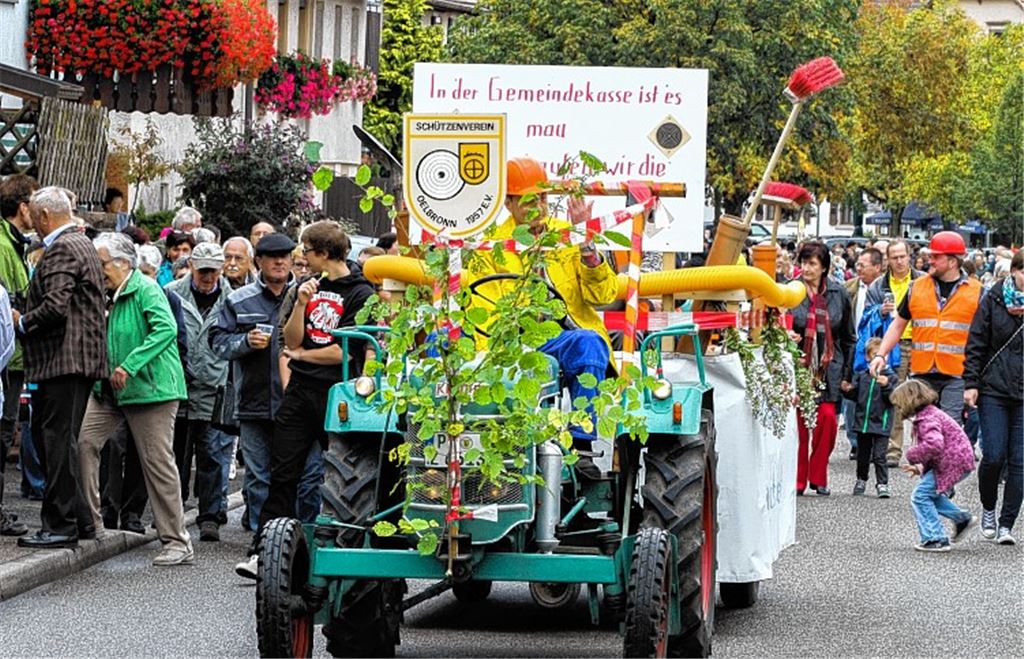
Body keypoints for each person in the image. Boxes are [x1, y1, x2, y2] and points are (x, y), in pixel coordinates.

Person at [235, 221, 376, 579]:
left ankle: (343, 547)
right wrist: (300, 305)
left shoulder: (361, 294)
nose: (302, 257)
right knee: (283, 475)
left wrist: (301, 357)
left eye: (307, 251)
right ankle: (264, 551)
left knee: (340, 475)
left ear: (324, 253)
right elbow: (291, 340)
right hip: (300, 393)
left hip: (339, 392)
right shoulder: (305, 287)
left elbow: (345, 353)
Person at [464, 158, 619, 449]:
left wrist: (587, 247)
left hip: (559, 337)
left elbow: (604, 295)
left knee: (589, 343)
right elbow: (482, 309)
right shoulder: (489, 246)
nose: (539, 208)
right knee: (439, 343)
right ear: (508, 203)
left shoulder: (568, 235)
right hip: (510, 340)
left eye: (543, 198)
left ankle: (581, 445)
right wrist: (494, 357)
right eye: (528, 200)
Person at [76, 233, 193, 565]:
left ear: (123, 263)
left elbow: (166, 329)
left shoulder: (145, 288)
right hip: (110, 389)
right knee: (85, 443)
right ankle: (93, 524)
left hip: (151, 390)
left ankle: (177, 541)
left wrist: (130, 364)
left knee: (156, 462)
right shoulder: (106, 292)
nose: (97, 271)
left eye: (101, 265)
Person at [14, 187, 108, 549]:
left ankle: (60, 525)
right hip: (76, 360)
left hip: (63, 360)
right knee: (59, 439)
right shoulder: (80, 242)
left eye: (35, 219)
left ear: (43, 217)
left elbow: (54, 306)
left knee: (56, 442)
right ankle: (80, 520)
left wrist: (22, 321)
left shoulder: (63, 247)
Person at [210, 233, 297, 539]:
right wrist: (245, 342)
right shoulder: (238, 299)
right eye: (272, 257)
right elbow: (217, 343)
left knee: (296, 476)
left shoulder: (306, 296)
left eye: (285, 256)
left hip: (295, 404)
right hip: (253, 402)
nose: (279, 262)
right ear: (259, 261)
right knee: (258, 477)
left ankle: (293, 540)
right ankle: (264, 543)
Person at [869, 232, 982, 447]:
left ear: (952, 261)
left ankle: (943, 481)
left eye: (936, 257)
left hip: (956, 375)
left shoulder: (976, 292)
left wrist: (976, 380)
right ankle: (931, 479)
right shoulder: (917, 287)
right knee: (926, 435)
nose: (930, 260)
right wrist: (881, 355)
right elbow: (898, 325)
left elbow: (984, 338)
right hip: (922, 374)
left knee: (948, 432)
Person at [165, 242, 234, 542]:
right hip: (179, 386)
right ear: (192, 266)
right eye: (203, 270)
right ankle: (172, 514)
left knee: (211, 455)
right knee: (175, 454)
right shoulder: (170, 293)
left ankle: (209, 517)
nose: (208, 277)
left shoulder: (233, 299)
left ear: (221, 270)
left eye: (213, 271)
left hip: (215, 386)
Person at [964, 250, 1023, 544]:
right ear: (1014, 271)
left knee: (1020, 460)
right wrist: (971, 383)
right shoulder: (993, 299)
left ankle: (1007, 525)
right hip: (994, 389)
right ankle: (989, 506)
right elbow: (976, 342)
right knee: (994, 455)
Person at [789, 241, 855, 496]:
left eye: (812, 264)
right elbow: (778, 326)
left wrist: (847, 374)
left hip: (830, 367)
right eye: (803, 263)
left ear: (824, 267)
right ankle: (798, 478)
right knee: (801, 424)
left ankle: (818, 475)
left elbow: (849, 337)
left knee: (826, 420)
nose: (806, 268)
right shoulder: (790, 291)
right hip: (800, 365)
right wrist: (787, 336)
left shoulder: (839, 294)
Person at [891, 379, 976, 552]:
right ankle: (961, 518)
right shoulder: (931, 413)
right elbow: (936, 449)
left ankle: (935, 537)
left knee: (920, 496)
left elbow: (934, 445)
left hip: (952, 462)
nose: (898, 410)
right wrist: (921, 467)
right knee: (931, 494)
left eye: (899, 406)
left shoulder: (926, 419)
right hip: (957, 460)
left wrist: (912, 455)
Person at [865, 239, 926, 466]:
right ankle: (893, 448)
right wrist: (880, 312)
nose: (900, 261)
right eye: (895, 257)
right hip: (894, 345)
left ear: (910, 256)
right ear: (887, 260)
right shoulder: (878, 286)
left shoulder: (922, 281)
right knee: (896, 395)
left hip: (921, 343)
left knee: (924, 396)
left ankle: (924, 446)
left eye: (903, 256)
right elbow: (866, 317)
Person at [0, 173, 36, 536]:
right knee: (2, 430)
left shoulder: (15, 243)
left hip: (14, 356)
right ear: (23, 206)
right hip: (5, 359)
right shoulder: (2, 243)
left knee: (8, 427)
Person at [842, 338, 897, 497]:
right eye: (874, 355)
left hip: (881, 424)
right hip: (863, 423)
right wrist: (847, 390)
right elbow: (855, 396)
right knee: (863, 455)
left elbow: (893, 399)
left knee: (880, 456)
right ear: (867, 357)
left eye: (883, 355)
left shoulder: (891, 378)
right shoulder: (862, 376)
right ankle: (861, 479)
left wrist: (886, 385)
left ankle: (882, 483)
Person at [843, 247, 883, 459]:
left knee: (876, 394)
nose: (858, 269)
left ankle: (877, 442)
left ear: (877, 267)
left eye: (863, 265)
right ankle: (855, 441)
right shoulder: (848, 288)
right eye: (857, 264)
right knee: (852, 393)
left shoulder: (883, 289)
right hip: (854, 346)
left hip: (876, 346)